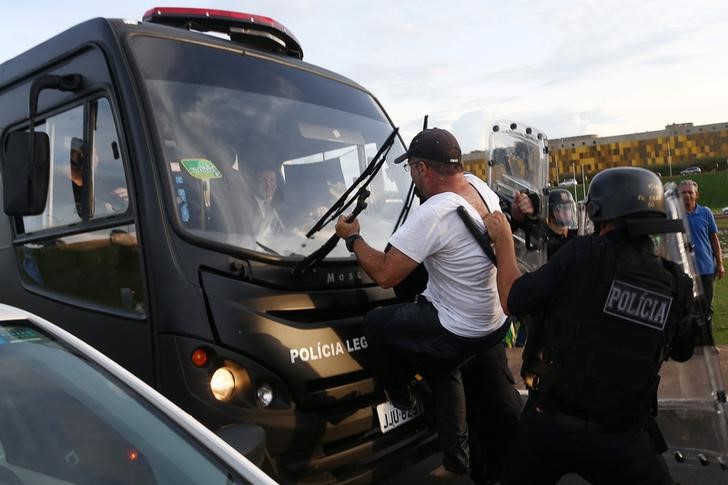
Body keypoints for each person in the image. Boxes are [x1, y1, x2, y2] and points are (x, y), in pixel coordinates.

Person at [485, 167, 696, 485]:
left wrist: (503, 239)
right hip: (623, 436)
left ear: (599, 212)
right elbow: (683, 349)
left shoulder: (582, 254)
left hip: (551, 425)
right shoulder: (674, 282)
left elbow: (513, 299)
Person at [334, 128, 511, 479]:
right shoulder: (479, 187)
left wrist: (353, 239)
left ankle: (401, 397)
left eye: (411, 169)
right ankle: (455, 460)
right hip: (492, 322)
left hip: (458, 325)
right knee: (441, 364)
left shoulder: (435, 212)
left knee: (377, 324)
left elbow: (385, 274)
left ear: (422, 170)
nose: (412, 177)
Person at [679, 179, 724, 337]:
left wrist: (720, 264)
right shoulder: (675, 216)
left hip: (706, 269)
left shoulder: (706, 213)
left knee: (706, 308)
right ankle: (689, 344)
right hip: (684, 271)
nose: (687, 195)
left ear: (696, 195)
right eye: (683, 192)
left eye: (690, 192)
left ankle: (707, 342)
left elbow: (714, 239)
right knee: (687, 308)